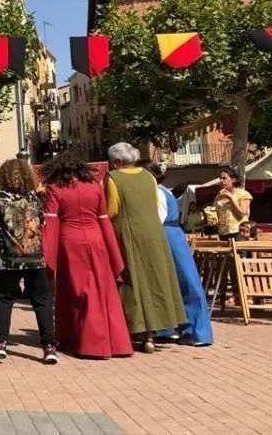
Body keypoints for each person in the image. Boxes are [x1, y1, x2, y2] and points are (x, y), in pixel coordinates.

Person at [0, 159, 58, 365]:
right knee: (42, 301)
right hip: (35, 257)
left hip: (10, 259)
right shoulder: (33, 197)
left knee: (6, 300)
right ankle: (49, 346)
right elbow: (41, 221)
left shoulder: (0, 197)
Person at [40, 152, 132, 359]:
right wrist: (114, 252)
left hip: (70, 241)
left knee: (78, 291)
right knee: (102, 289)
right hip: (97, 239)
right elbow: (104, 221)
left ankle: (84, 341)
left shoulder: (55, 189)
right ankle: (115, 343)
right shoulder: (95, 188)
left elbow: (51, 224)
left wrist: (48, 257)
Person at [105, 142, 187, 353]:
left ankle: (135, 330)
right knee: (156, 279)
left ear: (117, 162)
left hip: (129, 234)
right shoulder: (149, 177)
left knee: (133, 281)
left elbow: (112, 210)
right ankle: (152, 335)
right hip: (154, 233)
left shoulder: (113, 178)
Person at [141, 161, 214, 346]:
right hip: (174, 234)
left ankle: (194, 330)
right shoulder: (164, 190)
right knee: (182, 280)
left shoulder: (155, 192)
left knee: (180, 281)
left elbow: (157, 218)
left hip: (165, 235)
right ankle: (178, 328)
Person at [215, 166, 253, 241]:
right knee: (225, 253)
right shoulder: (218, 196)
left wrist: (231, 198)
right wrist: (214, 221)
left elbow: (241, 213)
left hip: (239, 232)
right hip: (223, 233)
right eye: (220, 178)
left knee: (240, 253)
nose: (221, 181)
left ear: (233, 180)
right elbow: (216, 215)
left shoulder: (243, 194)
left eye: (224, 178)